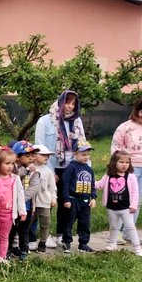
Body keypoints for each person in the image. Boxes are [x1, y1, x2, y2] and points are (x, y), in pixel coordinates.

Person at [35, 90, 86, 243]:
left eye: (73, 104)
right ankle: (42, 236)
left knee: (66, 201)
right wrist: (50, 170)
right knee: (46, 200)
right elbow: (40, 145)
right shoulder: (45, 121)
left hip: (70, 167)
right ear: (60, 101)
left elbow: (82, 144)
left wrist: (82, 167)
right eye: (67, 102)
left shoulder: (77, 122)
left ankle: (61, 234)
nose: (69, 107)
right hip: (49, 166)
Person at [110, 96, 142, 225]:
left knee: (137, 202)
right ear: (136, 110)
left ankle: (129, 232)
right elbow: (116, 146)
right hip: (129, 169)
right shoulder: (125, 127)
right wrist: (119, 165)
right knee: (125, 201)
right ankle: (117, 232)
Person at [95, 150, 142, 256]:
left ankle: (137, 248)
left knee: (130, 226)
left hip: (126, 208)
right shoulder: (108, 175)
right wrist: (89, 182)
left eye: (127, 162)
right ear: (114, 162)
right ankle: (112, 244)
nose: (124, 165)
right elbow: (99, 185)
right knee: (113, 226)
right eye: (121, 162)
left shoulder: (131, 177)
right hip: (111, 207)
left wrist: (133, 205)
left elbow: (135, 192)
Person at [59, 142, 96, 253]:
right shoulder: (71, 167)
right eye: (83, 154)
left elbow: (92, 183)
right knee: (69, 221)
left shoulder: (89, 169)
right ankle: (66, 241)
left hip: (85, 200)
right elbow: (65, 183)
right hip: (73, 199)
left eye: (88, 154)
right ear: (75, 154)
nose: (86, 157)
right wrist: (66, 199)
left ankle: (83, 243)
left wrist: (93, 197)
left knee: (85, 222)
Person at [7, 141, 38, 261]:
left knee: (24, 230)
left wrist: (21, 201)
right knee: (11, 230)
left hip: (28, 207)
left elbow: (33, 188)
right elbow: (12, 179)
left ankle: (24, 250)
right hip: (13, 206)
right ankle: (8, 250)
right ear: (17, 156)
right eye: (27, 156)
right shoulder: (13, 169)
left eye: (32, 156)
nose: (31, 158)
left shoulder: (35, 172)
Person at [0, 148, 26, 262]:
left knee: (5, 236)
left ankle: (3, 257)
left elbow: (20, 194)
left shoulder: (15, 178)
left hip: (9, 214)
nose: (10, 166)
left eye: (12, 163)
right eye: (7, 163)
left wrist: (22, 211)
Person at [30, 145, 57, 253]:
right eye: (43, 155)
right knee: (30, 222)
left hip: (44, 202)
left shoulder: (48, 171)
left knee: (45, 223)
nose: (46, 157)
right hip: (32, 202)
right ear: (35, 155)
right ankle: (28, 240)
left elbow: (52, 187)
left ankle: (43, 242)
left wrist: (53, 198)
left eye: (48, 155)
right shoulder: (30, 169)